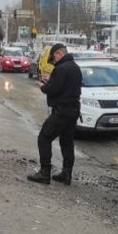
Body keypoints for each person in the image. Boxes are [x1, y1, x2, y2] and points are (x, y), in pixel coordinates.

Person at [27, 43, 82, 185]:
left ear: (59, 53)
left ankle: (45, 173)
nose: (54, 59)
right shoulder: (75, 67)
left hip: (61, 111)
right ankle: (67, 173)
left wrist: (43, 85)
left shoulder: (61, 68)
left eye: (54, 56)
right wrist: (50, 81)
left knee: (44, 137)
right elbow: (65, 86)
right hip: (74, 109)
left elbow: (53, 89)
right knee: (67, 141)